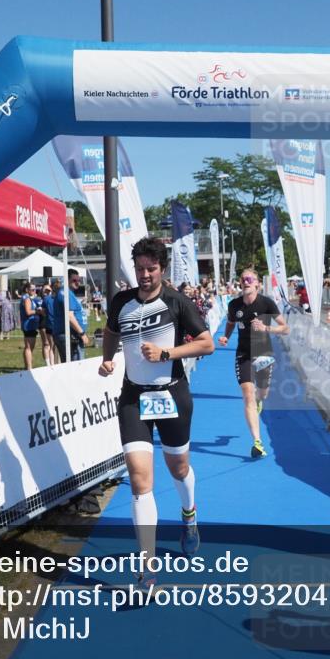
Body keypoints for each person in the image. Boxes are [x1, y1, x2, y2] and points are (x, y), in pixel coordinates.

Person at [98, 236, 215, 582]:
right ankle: (147, 567)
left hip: (171, 394)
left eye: (151, 269)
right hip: (133, 397)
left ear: (162, 269)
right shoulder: (121, 301)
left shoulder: (176, 301)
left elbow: (206, 344)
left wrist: (167, 354)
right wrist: (108, 358)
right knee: (139, 478)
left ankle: (189, 514)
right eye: (139, 269)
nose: (145, 275)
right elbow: (110, 331)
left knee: (179, 468)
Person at [218, 269, 289, 459]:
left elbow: (285, 328)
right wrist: (226, 336)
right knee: (247, 394)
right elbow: (231, 322)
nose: (246, 282)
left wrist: (266, 328)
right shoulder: (234, 305)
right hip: (243, 354)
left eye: (249, 279)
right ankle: (257, 442)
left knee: (262, 393)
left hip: (263, 354)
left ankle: (259, 400)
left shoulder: (266, 303)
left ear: (257, 283)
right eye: (243, 279)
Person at [51, 270, 90, 363]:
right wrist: (82, 333)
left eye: (79, 280)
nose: (77, 283)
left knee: (71, 365)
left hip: (70, 335)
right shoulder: (65, 293)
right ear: (67, 280)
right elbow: (70, 316)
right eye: (74, 280)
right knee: (76, 366)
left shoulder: (67, 293)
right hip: (69, 335)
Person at [19, 282, 40, 370]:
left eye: (35, 289)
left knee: (29, 347)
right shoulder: (26, 298)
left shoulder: (26, 297)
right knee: (29, 347)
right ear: (27, 289)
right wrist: (38, 311)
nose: (34, 291)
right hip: (28, 325)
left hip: (29, 324)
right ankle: (29, 367)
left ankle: (27, 366)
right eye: (32, 289)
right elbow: (28, 312)